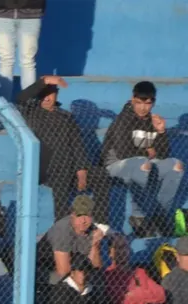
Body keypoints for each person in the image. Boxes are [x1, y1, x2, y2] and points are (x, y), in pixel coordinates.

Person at [15, 75, 111, 222]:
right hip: (45, 170)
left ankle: (101, 224)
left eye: (50, 94)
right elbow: (20, 98)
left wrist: (81, 170)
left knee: (101, 176)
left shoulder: (66, 117)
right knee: (61, 174)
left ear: (56, 94)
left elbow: (77, 145)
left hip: (69, 169)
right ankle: (61, 225)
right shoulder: (31, 112)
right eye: (43, 95)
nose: (46, 98)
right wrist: (44, 81)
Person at [101, 81, 185, 237]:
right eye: (139, 103)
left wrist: (160, 132)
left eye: (147, 103)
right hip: (116, 166)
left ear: (153, 102)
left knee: (177, 165)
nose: (143, 108)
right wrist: (149, 152)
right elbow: (123, 152)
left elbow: (163, 155)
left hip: (144, 165)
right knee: (143, 164)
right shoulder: (123, 120)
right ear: (132, 99)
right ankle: (138, 216)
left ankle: (160, 215)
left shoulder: (153, 121)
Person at [0, 0, 45, 99]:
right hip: (1, 13)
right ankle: (5, 105)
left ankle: (29, 104)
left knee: (28, 61)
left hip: (31, 12)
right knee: (6, 60)